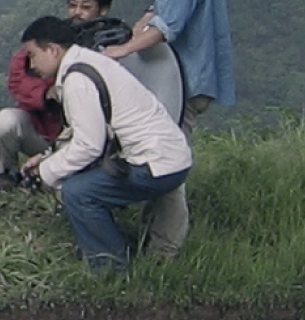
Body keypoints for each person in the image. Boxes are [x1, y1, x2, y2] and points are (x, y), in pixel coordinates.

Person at [102, 0, 235, 258]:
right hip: (184, 76)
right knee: (162, 155)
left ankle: (164, 251)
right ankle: (152, 237)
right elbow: (157, 12)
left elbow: (167, 25)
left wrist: (123, 50)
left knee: (167, 160)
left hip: (183, 80)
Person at [14, 17, 193, 273]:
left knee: (77, 192)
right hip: (170, 157)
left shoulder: (77, 79)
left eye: (32, 55)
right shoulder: (89, 62)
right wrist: (46, 158)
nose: (31, 65)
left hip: (154, 165)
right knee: (83, 181)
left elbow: (88, 146)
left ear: (52, 49)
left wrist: (45, 173)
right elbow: (86, 135)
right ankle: (114, 247)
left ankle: (109, 267)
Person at [0, 0, 130, 191]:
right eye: (72, 5)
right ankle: (4, 174)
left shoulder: (116, 45)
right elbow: (17, 77)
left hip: (93, 141)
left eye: (85, 7)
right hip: (47, 133)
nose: (77, 13)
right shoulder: (52, 38)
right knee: (5, 121)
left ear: (103, 10)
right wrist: (46, 93)